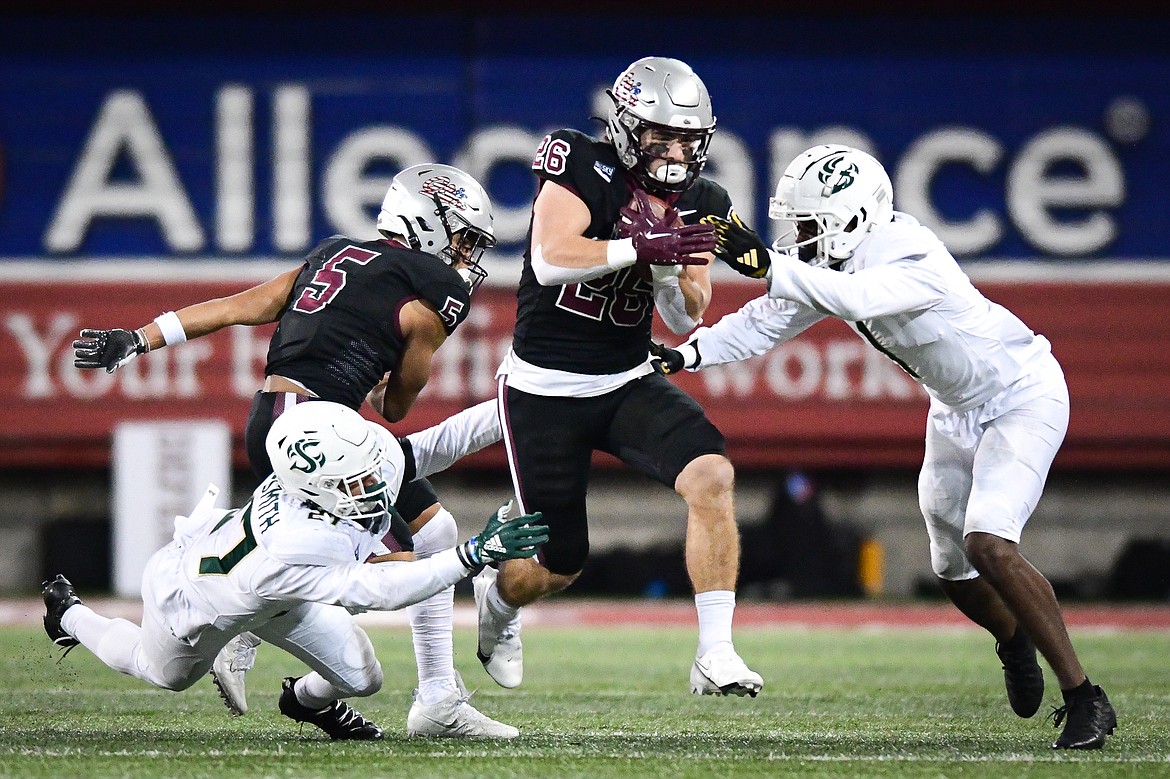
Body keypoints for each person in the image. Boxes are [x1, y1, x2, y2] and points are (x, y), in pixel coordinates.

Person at [653, 143, 1116, 749]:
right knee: (952, 569)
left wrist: (762, 260)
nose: (799, 240)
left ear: (853, 218)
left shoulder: (910, 251)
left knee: (989, 541)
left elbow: (859, 299)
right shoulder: (837, 263)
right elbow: (767, 319)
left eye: (809, 227)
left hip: (1021, 396)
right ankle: (1013, 637)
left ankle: (1086, 699)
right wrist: (685, 354)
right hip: (954, 410)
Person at [70, 163, 515, 737]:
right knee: (373, 561)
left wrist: (139, 337)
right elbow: (398, 409)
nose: (464, 257)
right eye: (461, 238)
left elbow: (236, 307)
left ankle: (423, 694)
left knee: (429, 532)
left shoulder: (333, 252)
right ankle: (418, 695)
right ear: (427, 221)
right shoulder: (436, 291)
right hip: (317, 430)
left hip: (277, 415)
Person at [476, 55, 763, 697]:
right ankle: (495, 603)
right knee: (556, 566)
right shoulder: (579, 161)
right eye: (663, 134)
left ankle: (714, 652)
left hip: (626, 379)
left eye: (689, 138)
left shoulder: (703, 201)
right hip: (544, 388)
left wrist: (669, 265)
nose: (677, 150)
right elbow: (550, 259)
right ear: (629, 127)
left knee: (712, 474)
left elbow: (686, 313)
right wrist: (641, 244)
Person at [42, 401, 548, 740]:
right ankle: (68, 615)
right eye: (356, 482)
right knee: (161, 672)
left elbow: (439, 442)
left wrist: (519, 399)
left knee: (364, 678)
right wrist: (473, 552)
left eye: (368, 468)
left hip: (275, 598)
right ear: (314, 490)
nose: (373, 484)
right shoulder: (295, 545)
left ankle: (303, 701)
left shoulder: (334, 480)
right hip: (199, 597)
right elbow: (380, 590)